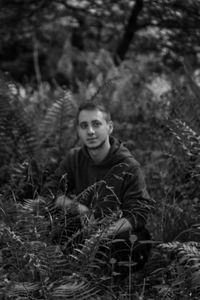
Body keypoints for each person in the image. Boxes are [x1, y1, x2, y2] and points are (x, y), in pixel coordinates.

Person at [44, 101, 153, 281]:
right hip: (83, 228)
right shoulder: (74, 158)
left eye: (96, 124)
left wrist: (102, 233)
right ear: (78, 131)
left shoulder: (129, 166)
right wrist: (79, 208)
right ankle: (68, 276)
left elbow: (138, 213)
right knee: (57, 220)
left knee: (136, 240)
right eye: (84, 126)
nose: (90, 131)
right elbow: (51, 191)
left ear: (109, 127)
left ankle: (112, 281)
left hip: (115, 232)